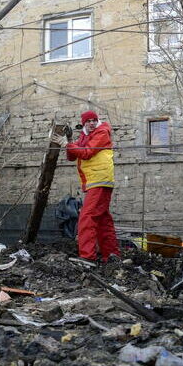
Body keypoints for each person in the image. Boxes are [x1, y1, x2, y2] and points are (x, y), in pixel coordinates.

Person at [51, 110, 120, 263]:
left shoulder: (101, 133)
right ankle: (112, 256)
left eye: (94, 120)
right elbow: (71, 156)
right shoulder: (85, 136)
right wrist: (68, 141)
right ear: (84, 123)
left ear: (98, 121)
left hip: (99, 180)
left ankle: (88, 257)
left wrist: (66, 144)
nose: (92, 123)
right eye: (88, 121)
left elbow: (87, 152)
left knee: (86, 217)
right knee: (103, 220)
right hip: (98, 181)